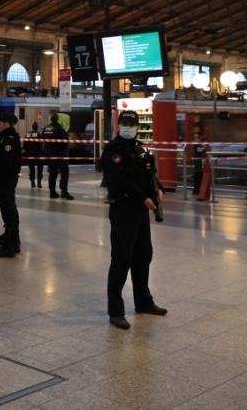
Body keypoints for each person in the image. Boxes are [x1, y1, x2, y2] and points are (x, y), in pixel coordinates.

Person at [99, 110, 167, 330]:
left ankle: (143, 302)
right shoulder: (113, 151)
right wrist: (143, 198)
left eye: (132, 123)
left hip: (141, 210)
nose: (129, 127)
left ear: (137, 126)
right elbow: (120, 182)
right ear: (119, 126)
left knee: (143, 256)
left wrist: (159, 190)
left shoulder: (139, 148)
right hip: (123, 210)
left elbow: (149, 175)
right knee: (121, 259)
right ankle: (116, 311)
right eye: (125, 123)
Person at [0, 114, 23, 258]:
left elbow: (6, 162)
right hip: (3, 178)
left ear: (6, 123)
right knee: (6, 208)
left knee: (9, 209)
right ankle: (9, 236)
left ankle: (11, 244)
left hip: (6, 179)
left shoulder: (9, 138)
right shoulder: (3, 136)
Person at [42, 112, 74, 200]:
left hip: (49, 154)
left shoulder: (46, 128)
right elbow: (65, 141)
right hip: (59, 154)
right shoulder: (59, 128)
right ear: (57, 119)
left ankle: (52, 192)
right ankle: (64, 191)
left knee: (52, 173)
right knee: (64, 172)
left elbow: (43, 139)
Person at [24, 122, 43, 188]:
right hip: (38, 154)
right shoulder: (39, 134)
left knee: (31, 168)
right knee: (40, 168)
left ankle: (32, 183)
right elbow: (41, 144)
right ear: (37, 127)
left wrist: (26, 152)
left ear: (32, 127)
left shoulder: (28, 134)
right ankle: (39, 183)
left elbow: (25, 144)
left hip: (30, 154)